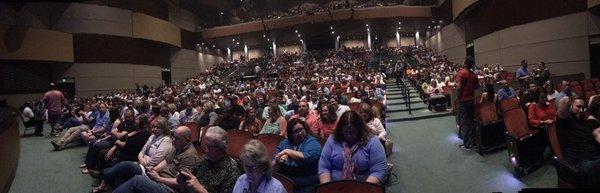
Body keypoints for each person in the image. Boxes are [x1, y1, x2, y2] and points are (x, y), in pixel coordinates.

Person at [109, 125, 202, 193]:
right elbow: (166, 161)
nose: (173, 140)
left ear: (188, 139)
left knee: (138, 180)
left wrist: (159, 179)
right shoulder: (177, 146)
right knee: (128, 166)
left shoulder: (190, 156)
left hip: (170, 189)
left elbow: (180, 183)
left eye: (177, 138)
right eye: (173, 136)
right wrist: (154, 169)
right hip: (159, 177)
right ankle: (105, 177)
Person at [100, 117, 174, 190]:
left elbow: (155, 160)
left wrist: (143, 160)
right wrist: (143, 159)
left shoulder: (166, 141)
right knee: (121, 174)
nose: (154, 129)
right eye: (153, 126)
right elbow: (141, 152)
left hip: (149, 169)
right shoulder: (152, 136)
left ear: (164, 128)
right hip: (141, 163)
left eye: (157, 127)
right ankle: (106, 179)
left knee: (126, 165)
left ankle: (103, 176)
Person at [318, 111, 387, 184]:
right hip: (335, 186)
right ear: (341, 130)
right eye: (346, 132)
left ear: (359, 130)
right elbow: (324, 167)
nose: (349, 136)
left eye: (352, 132)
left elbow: (379, 170)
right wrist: (327, 188)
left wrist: (363, 189)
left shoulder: (372, 140)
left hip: (365, 186)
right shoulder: (333, 139)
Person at [556, 95, 600, 186]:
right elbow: (563, 104)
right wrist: (568, 97)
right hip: (579, 163)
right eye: (578, 106)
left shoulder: (586, 123)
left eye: (583, 108)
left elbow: (595, 132)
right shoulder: (566, 122)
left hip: (593, 157)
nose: (581, 110)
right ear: (571, 106)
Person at [272, 119, 322, 193]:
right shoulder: (285, 143)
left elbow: (306, 157)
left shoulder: (313, 142)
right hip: (286, 179)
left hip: (306, 181)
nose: (300, 133)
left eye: (301, 129)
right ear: (290, 134)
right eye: (296, 131)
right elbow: (274, 162)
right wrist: (278, 160)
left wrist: (288, 151)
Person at [455, 56, 480, 150]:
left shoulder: (461, 73)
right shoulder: (474, 75)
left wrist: (458, 97)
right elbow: (477, 88)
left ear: (465, 63)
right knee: (471, 121)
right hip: (471, 101)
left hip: (463, 101)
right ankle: (473, 141)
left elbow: (458, 87)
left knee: (464, 122)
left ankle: (467, 144)